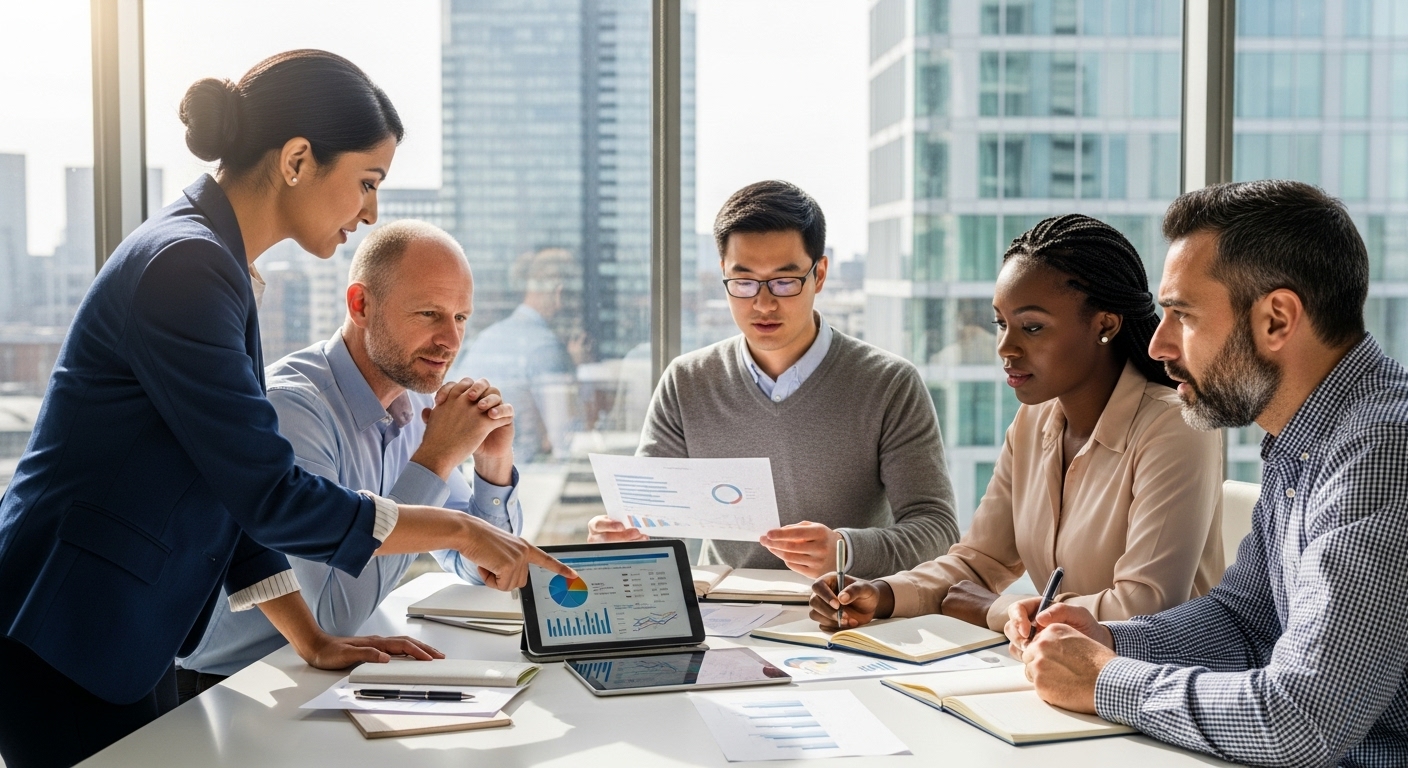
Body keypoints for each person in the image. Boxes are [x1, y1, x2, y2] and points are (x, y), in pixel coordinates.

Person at [0, 51, 571, 768]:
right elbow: (273, 495)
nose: (370, 212)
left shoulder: (219, 264)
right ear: (298, 159)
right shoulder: (188, 263)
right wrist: (455, 526)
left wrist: (311, 639)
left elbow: (231, 490)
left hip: (123, 625)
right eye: (367, 182)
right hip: (70, 622)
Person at [1008, 180, 1408, 767]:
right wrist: (1108, 638)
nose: (1161, 344)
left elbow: (1300, 720)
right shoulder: (1305, 440)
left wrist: (1106, 680)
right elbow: (1244, 621)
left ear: (1276, 319)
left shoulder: (1381, 451)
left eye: (1182, 315)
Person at [809, 215, 1224, 632]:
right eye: (1001, 324)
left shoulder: (1175, 427)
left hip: (1157, 682)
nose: (1006, 347)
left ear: (1105, 325)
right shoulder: (1034, 420)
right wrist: (882, 594)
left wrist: (994, 610)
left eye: (1032, 327)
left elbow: (1144, 608)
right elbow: (980, 561)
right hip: (1059, 671)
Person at [175, 220, 524, 699]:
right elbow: (333, 615)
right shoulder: (293, 409)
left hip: (319, 678)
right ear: (360, 305)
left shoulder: (408, 407)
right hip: (232, 688)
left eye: (461, 318)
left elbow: (488, 567)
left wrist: (492, 463)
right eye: (428, 314)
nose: (450, 340)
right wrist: (438, 457)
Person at [588, 180, 959, 579]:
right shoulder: (687, 381)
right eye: (744, 282)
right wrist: (623, 539)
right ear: (723, 274)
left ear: (819, 274)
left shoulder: (889, 384)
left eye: (784, 281)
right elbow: (652, 517)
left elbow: (937, 527)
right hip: (726, 614)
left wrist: (847, 550)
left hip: (848, 612)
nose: (763, 304)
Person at [449, 248, 585, 462]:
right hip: (524, 473)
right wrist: (575, 371)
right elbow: (563, 440)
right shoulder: (545, 347)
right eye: (575, 296)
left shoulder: (489, 337)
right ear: (560, 293)